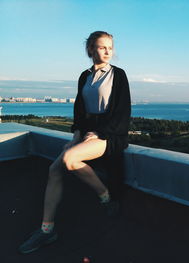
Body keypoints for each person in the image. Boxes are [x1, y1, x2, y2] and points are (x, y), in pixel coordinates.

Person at [18, 31, 131, 254]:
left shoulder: (118, 75)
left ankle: (106, 198)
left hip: (110, 136)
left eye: (110, 47)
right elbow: (79, 111)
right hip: (87, 134)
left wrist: (99, 133)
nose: (108, 51)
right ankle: (47, 230)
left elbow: (122, 112)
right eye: (102, 47)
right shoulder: (84, 76)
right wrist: (77, 135)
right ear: (91, 50)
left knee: (70, 160)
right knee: (54, 169)